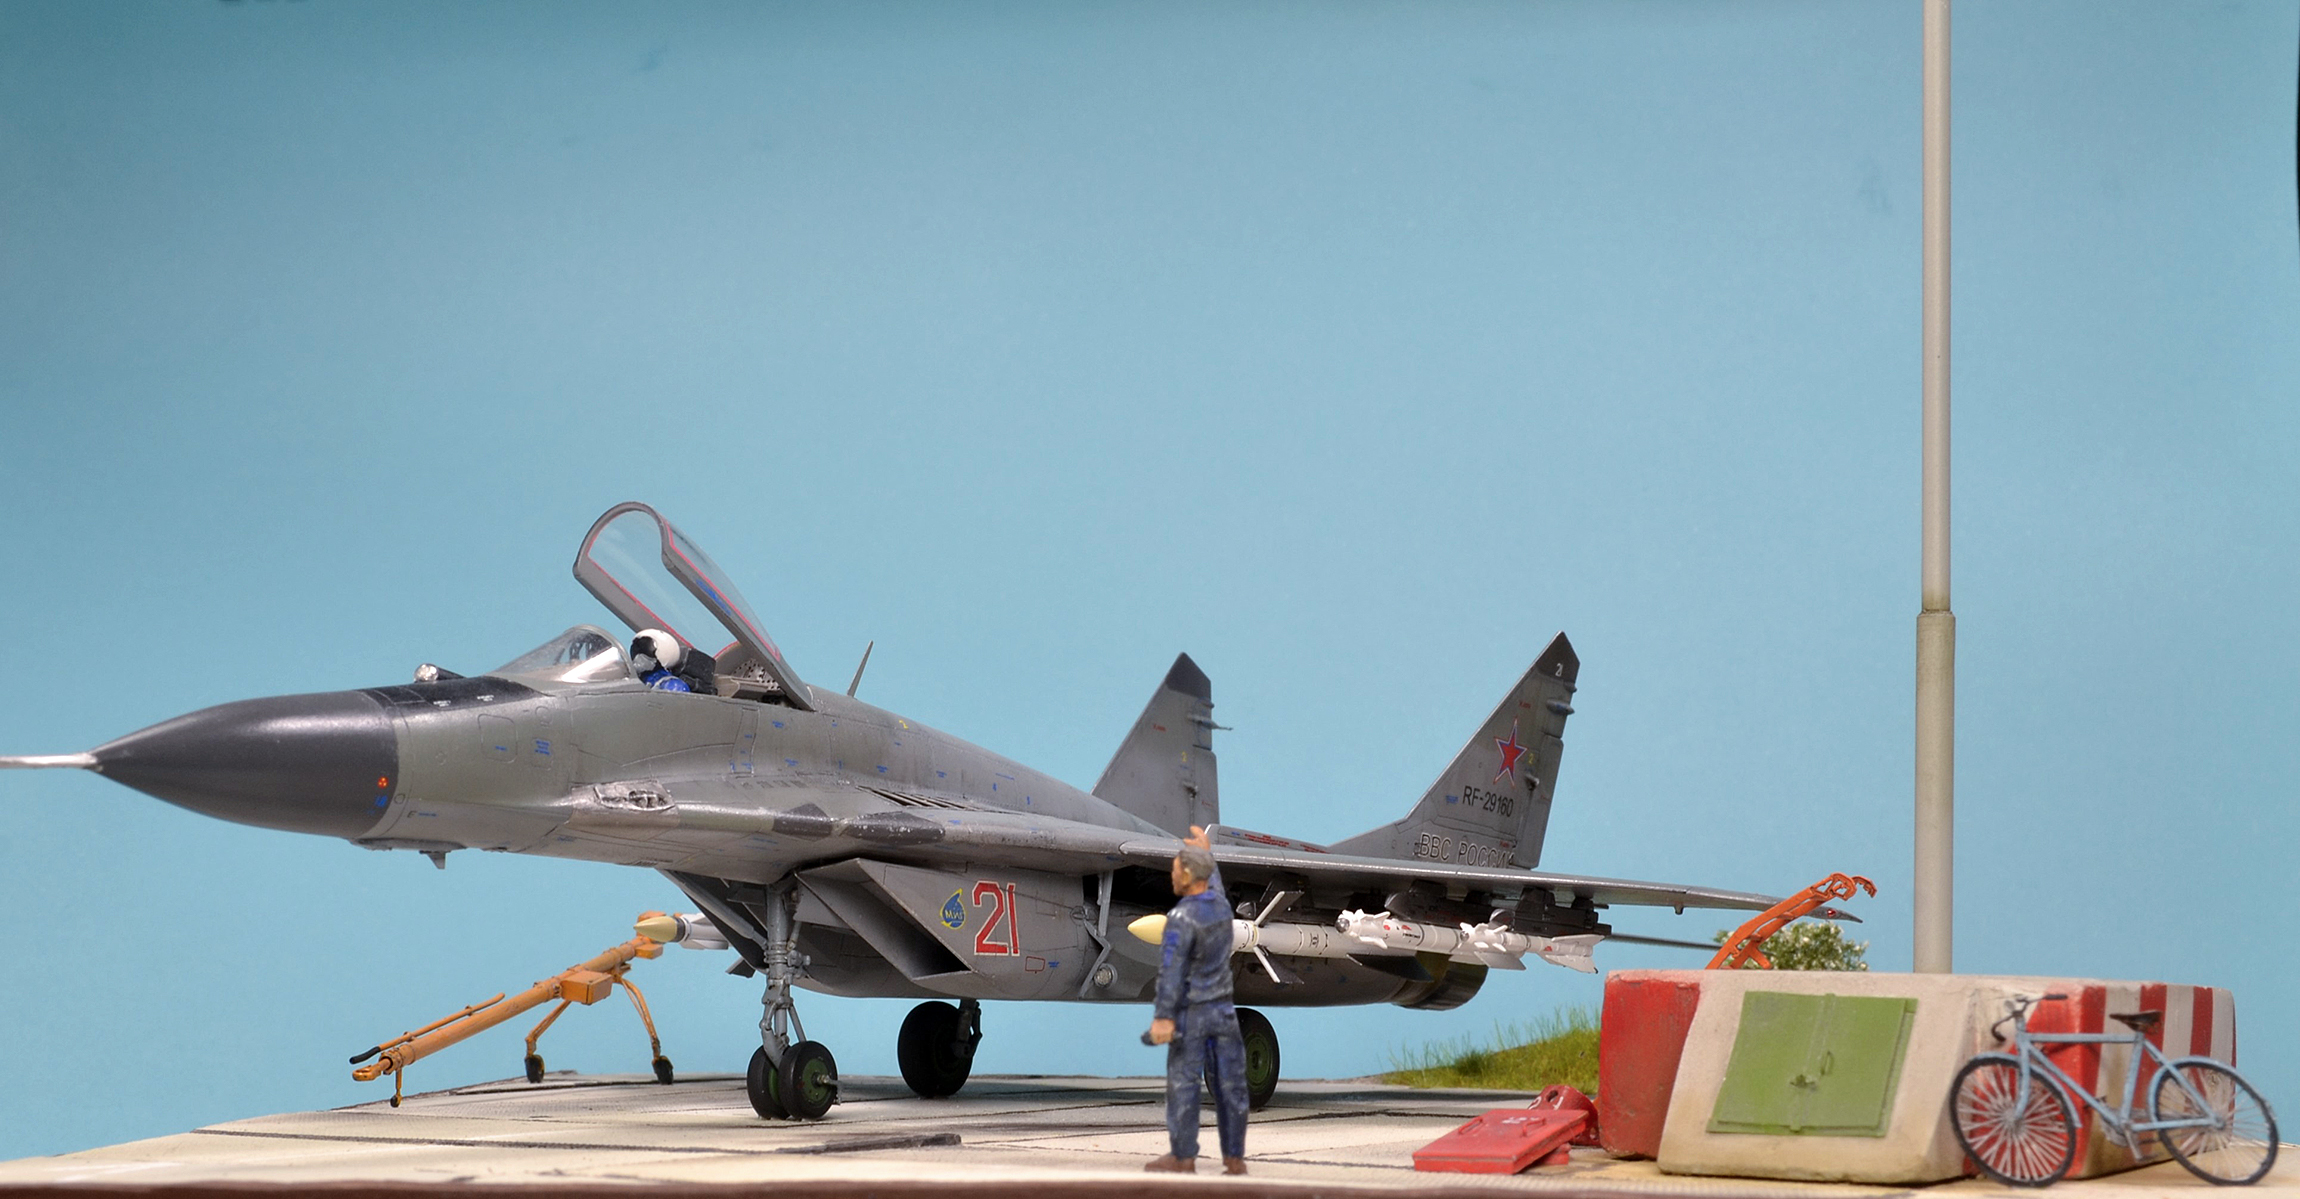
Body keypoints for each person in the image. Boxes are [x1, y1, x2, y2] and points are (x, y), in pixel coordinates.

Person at [1144, 825, 1249, 1175]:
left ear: (1188, 876)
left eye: (1176, 870)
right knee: (1231, 1084)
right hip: (1224, 1012)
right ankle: (1234, 1158)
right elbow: (1214, 885)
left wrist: (1163, 1017)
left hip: (1192, 1015)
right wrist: (1208, 855)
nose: (1172, 875)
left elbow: (1171, 972)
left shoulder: (1180, 918)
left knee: (1183, 1083)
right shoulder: (1221, 906)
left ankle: (1183, 1157)